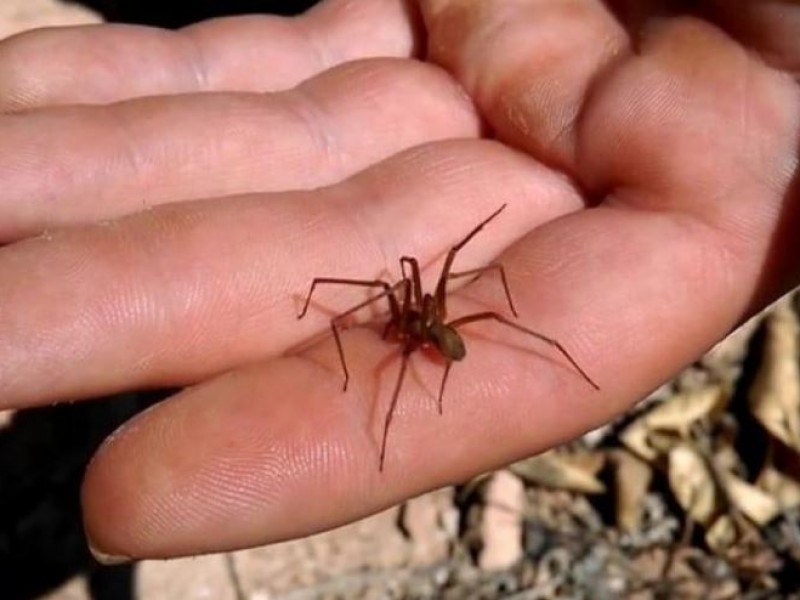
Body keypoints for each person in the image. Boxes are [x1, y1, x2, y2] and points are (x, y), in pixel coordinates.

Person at [0, 0, 797, 563]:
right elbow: (391, 295)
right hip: (429, 332)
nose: (405, 304)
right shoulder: (407, 323)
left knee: (447, 282)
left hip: (443, 337)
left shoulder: (430, 326)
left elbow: (430, 284)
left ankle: (521, 367)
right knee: (407, 281)